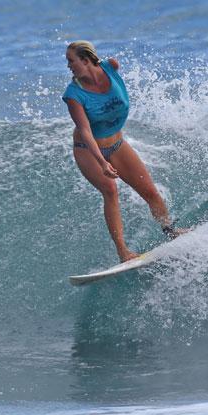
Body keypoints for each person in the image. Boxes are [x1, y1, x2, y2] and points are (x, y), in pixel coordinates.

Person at [62, 40, 184, 262]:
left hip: (117, 144)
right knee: (110, 190)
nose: (68, 65)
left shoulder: (111, 67)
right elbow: (86, 132)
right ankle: (123, 252)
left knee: (150, 192)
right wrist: (102, 163)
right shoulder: (73, 94)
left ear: (86, 59)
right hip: (88, 151)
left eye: (71, 61)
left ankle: (171, 231)